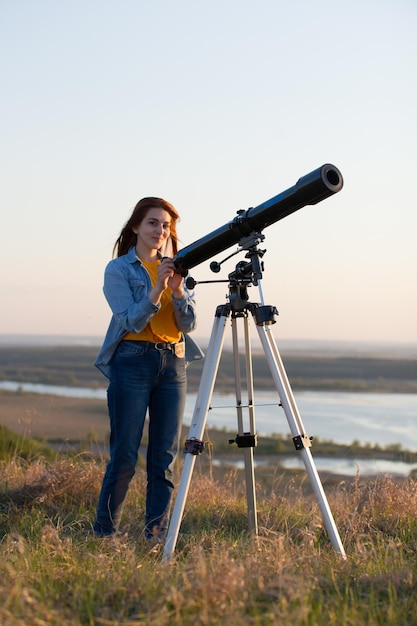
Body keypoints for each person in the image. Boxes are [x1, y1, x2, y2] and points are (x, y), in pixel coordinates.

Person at [93, 197, 203, 542]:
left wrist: (179, 290)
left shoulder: (177, 268)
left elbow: (190, 323)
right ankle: (105, 532)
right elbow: (128, 318)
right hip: (133, 361)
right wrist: (156, 290)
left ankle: (155, 535)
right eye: (153, 223)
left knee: (164, 457)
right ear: (136, 227)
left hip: (173, 363)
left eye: (166, 225)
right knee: (124, 453)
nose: (160, 231)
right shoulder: (119, 270)